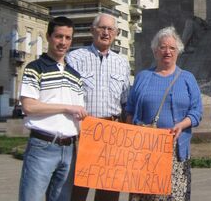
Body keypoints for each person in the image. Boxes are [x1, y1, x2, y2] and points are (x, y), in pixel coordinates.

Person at [126, 26, 203, 201]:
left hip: (176, 152)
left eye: (172, 48)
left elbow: (197, 111)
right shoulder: (142, 77)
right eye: (162, 47)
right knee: (145, 197)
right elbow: (130, 110)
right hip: (145, 152)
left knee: (174, 197)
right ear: (155, 51)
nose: (167, 52)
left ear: (178, 52)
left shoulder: (187, 78)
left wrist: (182, 125)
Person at [18, 16, 87, 201]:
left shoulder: (76, 76)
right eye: (59, 36)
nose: (63, 42)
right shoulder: (34, 68)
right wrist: (66, 107)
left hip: (69, 149)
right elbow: (29, 106)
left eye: (67, 38)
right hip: (43, 145)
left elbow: (79, 116)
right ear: (48, 37)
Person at [68, 13, 131, 201]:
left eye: (110, 29)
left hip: (112, 131)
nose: (106, 32)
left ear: (116, 33)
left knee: (109, 189)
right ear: (92, 30)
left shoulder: (122, 63)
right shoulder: (75, 58)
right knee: (77, 188)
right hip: (83, 130)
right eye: (102, 28)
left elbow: (126, 101)